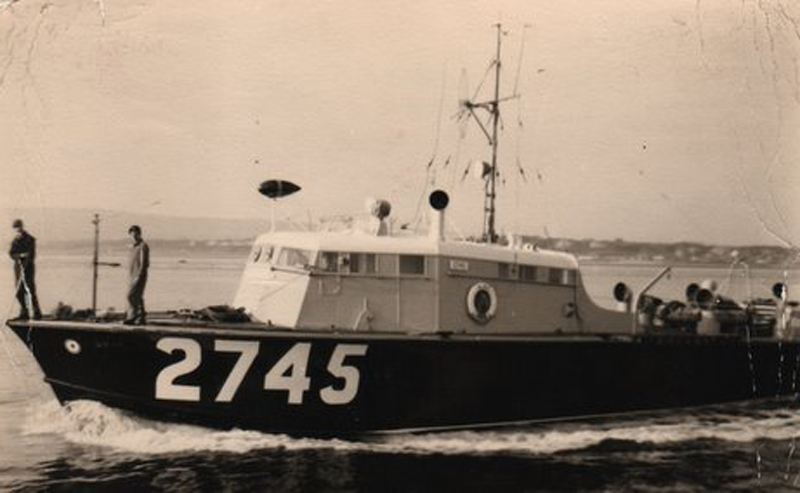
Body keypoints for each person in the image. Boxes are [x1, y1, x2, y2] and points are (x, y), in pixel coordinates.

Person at [9, 219, 42, 320]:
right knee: (19, 292)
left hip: (28, 269)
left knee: (30, 290)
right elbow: (11, 254)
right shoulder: (15, 241)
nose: (17, 230)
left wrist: (25, 262)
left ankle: (37, 312)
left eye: (18, 228)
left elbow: (31, 255)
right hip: (18, 269)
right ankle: (24, 312)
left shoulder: (30, 239)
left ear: (22, 227)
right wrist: (20, 256)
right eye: (15, 229)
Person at [124, 225, 149, 325]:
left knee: (130, 296)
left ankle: (133, 317)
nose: (134, 237)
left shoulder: (143, 246)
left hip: (139, 275)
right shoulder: (133, 247)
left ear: (139, 234)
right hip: (132, 275)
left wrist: (139, 276)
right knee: (137, 296)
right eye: (132, 235)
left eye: (135, 235)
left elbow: (144, 263)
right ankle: (140, 317)